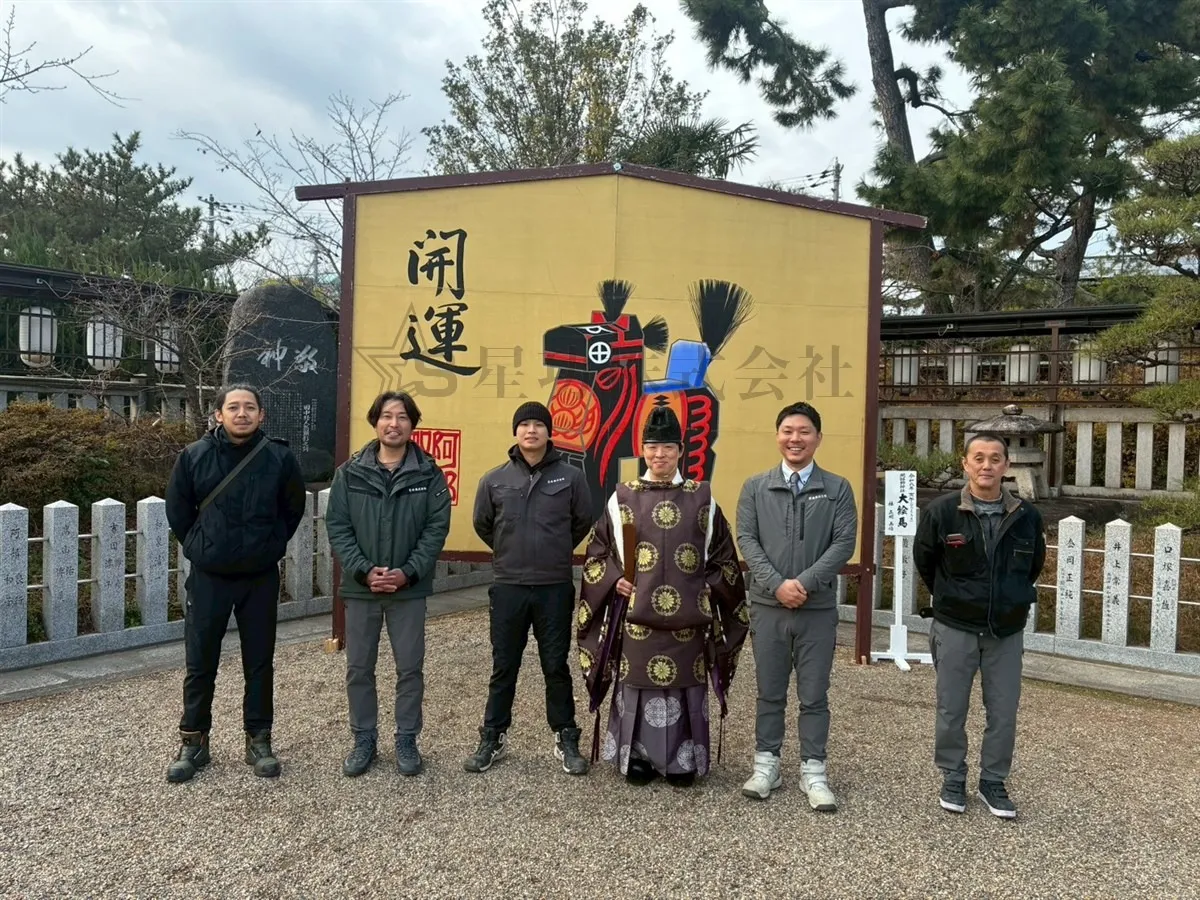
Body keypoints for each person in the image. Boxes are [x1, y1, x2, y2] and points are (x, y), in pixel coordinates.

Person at [575, 406, 749, 787]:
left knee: (685, 685)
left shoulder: (703, 498)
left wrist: (711, 584)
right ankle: (637, 756)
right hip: (637, 616)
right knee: (637, 684)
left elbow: (724, 555)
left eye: (668, 447)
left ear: (681, 450)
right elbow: (597, 552)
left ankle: (683, 758)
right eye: (652, 447)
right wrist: (615, 577)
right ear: (642, 450)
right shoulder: (621, 498)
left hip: (690, 618)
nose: (660, 455)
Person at [164, 384, 307, 784]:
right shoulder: (194, 456)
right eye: (233, 407)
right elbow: (178, 510)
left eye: (249, 407)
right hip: (210, 576)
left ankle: (258, 739)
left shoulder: (279, 458)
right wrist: (200, 545)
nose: (241, 413)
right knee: (200, 661)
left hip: (259, 576)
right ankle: (193, 741)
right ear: (218, 415)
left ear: (262, 415)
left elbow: (292, 509)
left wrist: (270, 545)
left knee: (259, 662)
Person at [913, 432, 1046, 819]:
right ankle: (953, 776)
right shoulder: (942, 511)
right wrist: (954, 597)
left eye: (995, 459)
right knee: (951, 709)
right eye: (979, 458)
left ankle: (993, 781)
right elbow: (926, 561)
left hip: (1005, 630)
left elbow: (1033, 564)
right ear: (965, 464)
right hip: (955, 626)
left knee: (1003, 711)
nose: (986, 466)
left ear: (1006, 466)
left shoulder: (1026, 516)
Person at [736, 401, 858, 810]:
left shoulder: (837, 488)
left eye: (804, 431)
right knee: (769, 690)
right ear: (777, 436)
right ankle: (766, 763)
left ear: (818, 438)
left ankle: (814, 769)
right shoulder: (756, 486)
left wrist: (802, 584)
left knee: (814, 693)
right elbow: (747, 540)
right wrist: (776, 585)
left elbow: (843, 543)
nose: (795, 438)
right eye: (788, 430)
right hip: (768, 606)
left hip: (816, 608)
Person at [325, 391, 452, 778]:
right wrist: (364, 570)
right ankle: (363, 738)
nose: (393, 423)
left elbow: (435, 528)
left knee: (410, 667)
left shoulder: (429, 474)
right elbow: (338, 527)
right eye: (386, 416)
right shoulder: (350, 472)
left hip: (408, 589)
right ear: (375, 421)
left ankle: (406, 738)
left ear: (413, 424)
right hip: (361, 588)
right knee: (359, 667)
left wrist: (408, 572)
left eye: (401, 417)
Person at [464, 401, 594, 775]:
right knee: (504, 665)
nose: (531, 431)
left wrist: (551, 553)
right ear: (515, 432)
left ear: (549, 432)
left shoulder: (570, 478)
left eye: (538, 424)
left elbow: (581, 522)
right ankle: (492, 736)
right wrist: (511, 552)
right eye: (524, 425)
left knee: (555, 665)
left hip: (553, 586)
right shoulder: (495, 479)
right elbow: (483, 524)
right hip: (508, 587)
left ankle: (566, 736)